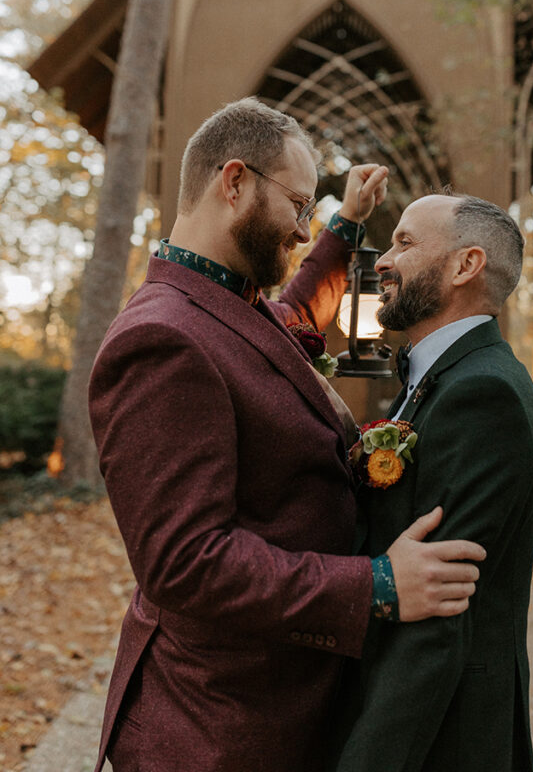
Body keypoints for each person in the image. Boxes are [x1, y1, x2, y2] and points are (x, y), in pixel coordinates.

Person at [89, 100, 485, 772]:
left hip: (277, 702)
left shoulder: (227, 301)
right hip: (216, 729)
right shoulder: (162, 340)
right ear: (234, 181)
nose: (304, 230)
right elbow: (184, 561)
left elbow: (293, 312)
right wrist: (377, 587)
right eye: (299, 207)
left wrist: (347, 224)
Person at [333, 193, 533, 772]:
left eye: (405, 243)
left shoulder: (483, 394)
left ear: (464, 266)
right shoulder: (441, 378)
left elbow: (436, 611)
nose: (382, 259)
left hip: (444, 734)